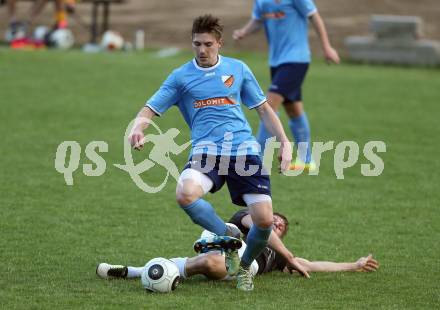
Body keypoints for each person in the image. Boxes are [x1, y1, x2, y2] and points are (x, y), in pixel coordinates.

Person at [127, 14, 307, 291]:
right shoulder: (180, 77)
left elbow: (263, 109)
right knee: (185, 194)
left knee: (263, 221)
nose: (202, 50)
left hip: (244, 151)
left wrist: (284, 142)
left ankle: (245, 266)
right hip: (207, 151)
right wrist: (138, 128)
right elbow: (150, 108)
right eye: (196, 44)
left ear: (220, 43)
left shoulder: (238, 69)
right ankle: (228, 235)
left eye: (208, 44)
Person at [96, 211, 379, 281]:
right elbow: (259, 222)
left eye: (281, 226)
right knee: (230, 231)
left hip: (247, 263)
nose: (276, 224)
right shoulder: (249, 217)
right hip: (230, 239)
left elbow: (312, 265)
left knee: (205, 264)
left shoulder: (280, 258)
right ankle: (224, 245)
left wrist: (352, 265)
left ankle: (135, 272)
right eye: (276, 220)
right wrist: (265, 224)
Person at [233, 0, 340, 171]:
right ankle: (307, 160)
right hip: (276, 62)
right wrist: (244, 32)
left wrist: (327, 47)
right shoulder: (261, 1)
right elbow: (258, 20)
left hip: (297, 59)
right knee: (293, 109)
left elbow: (315, 17)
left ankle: (255, 159)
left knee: (268, 104)